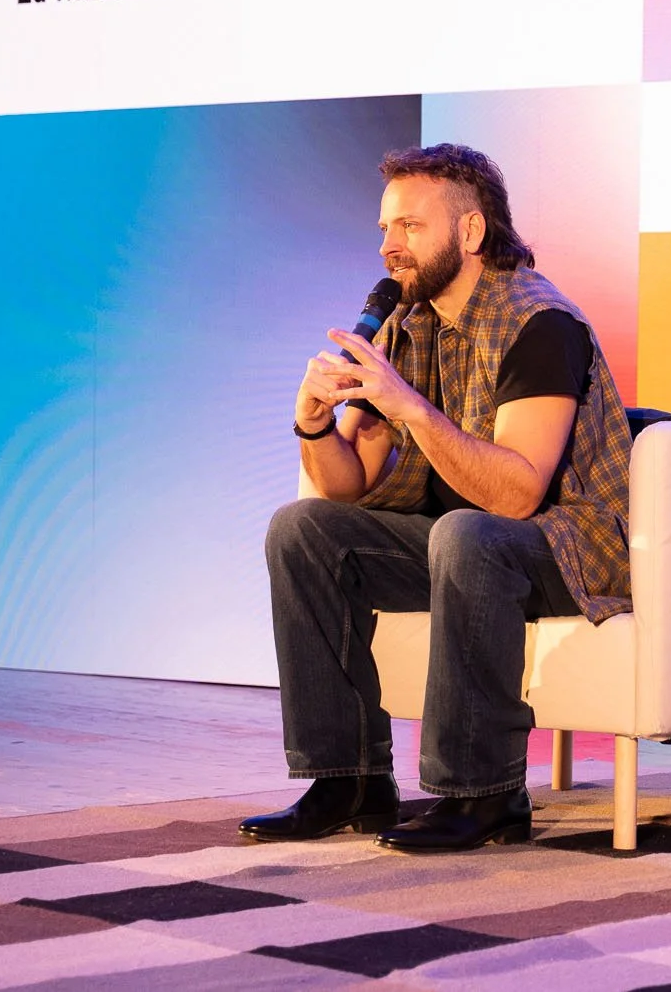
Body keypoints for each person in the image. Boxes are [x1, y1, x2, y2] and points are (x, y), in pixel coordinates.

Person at [241, 143, 632, 852]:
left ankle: (483, 794)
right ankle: (349, 780)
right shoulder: (406, 325)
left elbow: (516, 496)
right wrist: (313, 420)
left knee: (467, 532)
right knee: (302, 530)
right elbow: (347, 487)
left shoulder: (540, 321)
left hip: (569, 545)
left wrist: (411, 407)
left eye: (411, 228)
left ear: (472, 233)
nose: (390, 247)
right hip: (464, 545)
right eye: (385, 229)